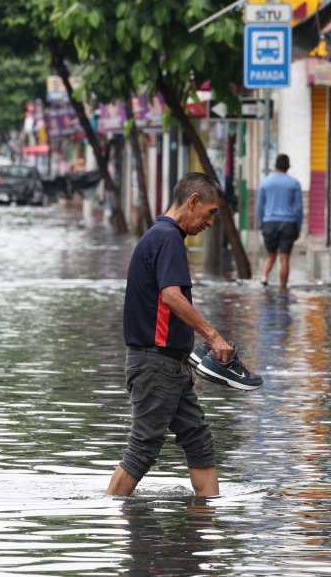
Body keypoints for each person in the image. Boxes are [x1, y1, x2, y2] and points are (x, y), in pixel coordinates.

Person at [107, 172, 236, 498]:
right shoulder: (169, 238)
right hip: (155, 364)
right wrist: (214, 335)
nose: (209, 223)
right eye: (209, 213)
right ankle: (108, 519)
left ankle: (207, 522)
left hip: (170, 365)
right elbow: (171, 296)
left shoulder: (160, 236)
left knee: (198, 440)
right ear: (193, 201)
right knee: (143, 448)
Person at [256, 154, 303, 290]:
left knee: (270, 255)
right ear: (288, 167)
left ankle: (264, 278)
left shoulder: (265, 182)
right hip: (288, 223)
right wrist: (298, 227)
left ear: (275, 166)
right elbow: (298, 208)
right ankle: (283, 287)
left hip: (269, 223)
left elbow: (259, 206)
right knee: (284, 258)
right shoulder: (294, 183)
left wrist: (262, 224)